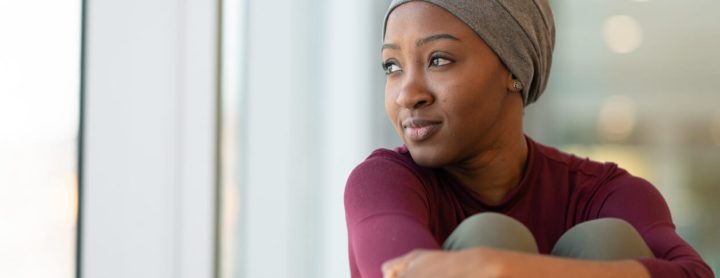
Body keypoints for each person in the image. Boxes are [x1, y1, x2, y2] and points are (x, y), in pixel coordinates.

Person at [343, 1, 714, 277]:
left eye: (439, 60)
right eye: (392, 66)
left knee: (607, 241)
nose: (407, 94)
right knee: (490, 233)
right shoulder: (381, 182)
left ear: (513, 69)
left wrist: (504, 267)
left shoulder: (605, 193)